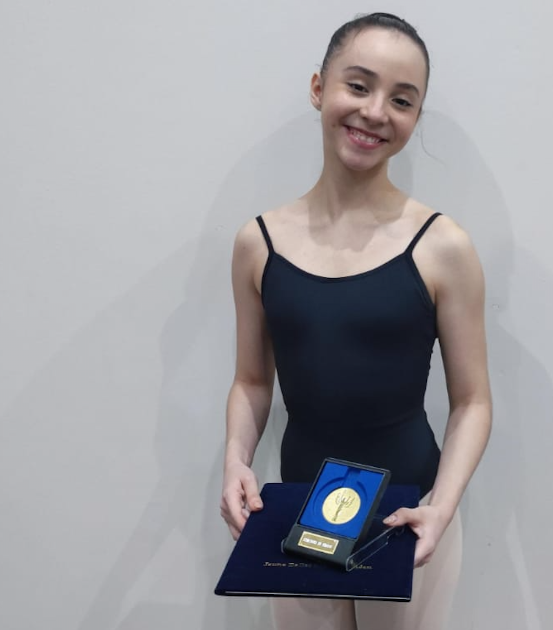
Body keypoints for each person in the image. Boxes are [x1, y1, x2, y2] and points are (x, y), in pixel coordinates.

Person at [219, 12, 492, 630]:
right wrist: (236, 461)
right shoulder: (257, 243)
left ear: (415, 118)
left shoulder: (442, 246)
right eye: (359, 85)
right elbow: (252, 381)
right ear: (319, 88)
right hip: (295, 515)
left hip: (409, 521)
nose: (375, 112)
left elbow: (473, 401)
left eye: (402, 100)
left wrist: (443, 506)